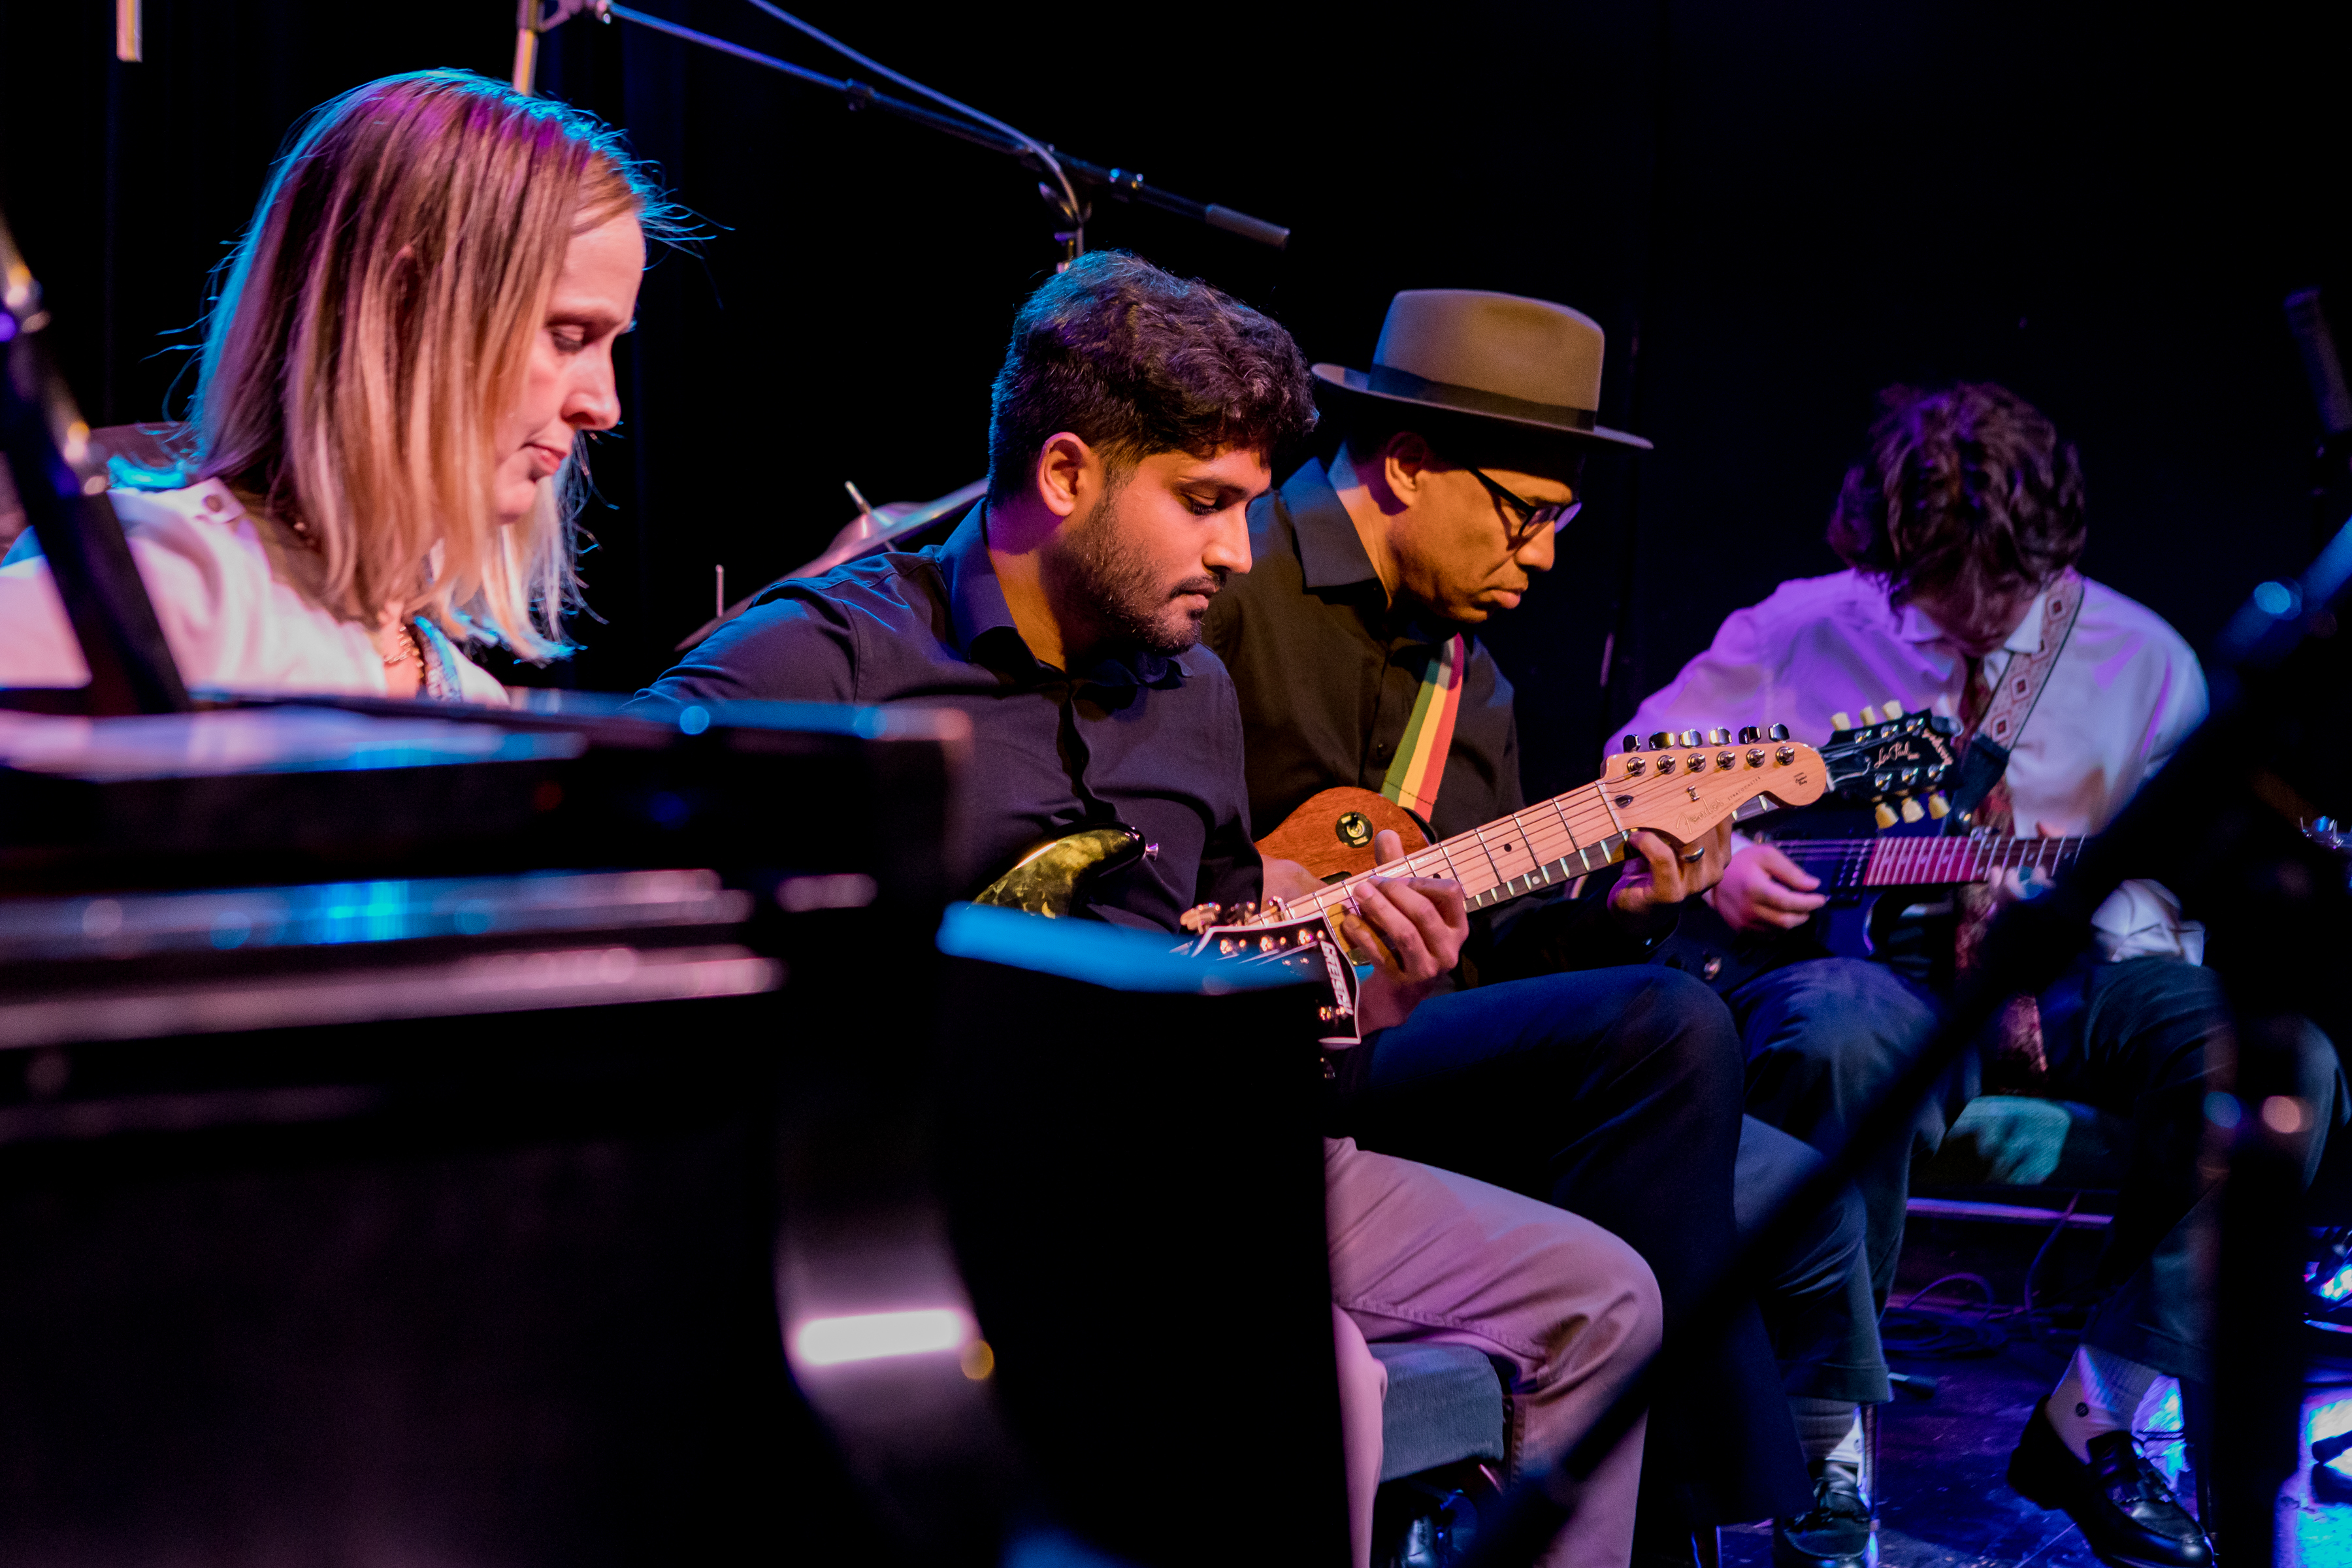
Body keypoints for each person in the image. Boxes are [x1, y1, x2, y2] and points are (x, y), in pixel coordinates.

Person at [629, 252, 1667, 1568]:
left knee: (1608, 1301)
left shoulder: (1192, 692)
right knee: (1320, 1370)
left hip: (1201, 1157)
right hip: (939, 1185)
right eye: (1205, 503)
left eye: (1247, 506)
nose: (1240, 551)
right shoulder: (807, 669)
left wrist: (1365, 996)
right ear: (1067, 474)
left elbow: (1226, 962)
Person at [1203, 289, 1881, 1568]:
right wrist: (1263, 887)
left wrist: (1625, 903)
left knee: (1724, 1089)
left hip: (1389, 1053)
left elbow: (1482, 960)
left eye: (1565, 522)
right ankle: (1699, 1518)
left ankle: (1654, 1511)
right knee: (1674, 1028)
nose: (1549, 556)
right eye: (1525, 514)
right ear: (1407, 466)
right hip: (1243, 1061)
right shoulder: (1231, 584)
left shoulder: (1479, 684)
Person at [1627, 382, 2343, 1568]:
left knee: (2290, 1071)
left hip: (2092, 961)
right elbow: (1635, 774)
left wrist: (2068, 900)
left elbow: (2189, 889)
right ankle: (1824, 1449)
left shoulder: (2141, 658)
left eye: (2008, 592)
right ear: (1885, 551)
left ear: (2056, 558)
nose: (1975, 615)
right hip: (1876, 963)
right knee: (1829, 1036)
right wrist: (1726, 866)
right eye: (1941, 586)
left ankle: (2099, 1415)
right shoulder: (1799, 627)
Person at [0, 69, 665, 703]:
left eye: (610, 346)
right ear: (403, 306)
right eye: (569, 337)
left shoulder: (469, 693)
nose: (603, 408)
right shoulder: (170, 586)